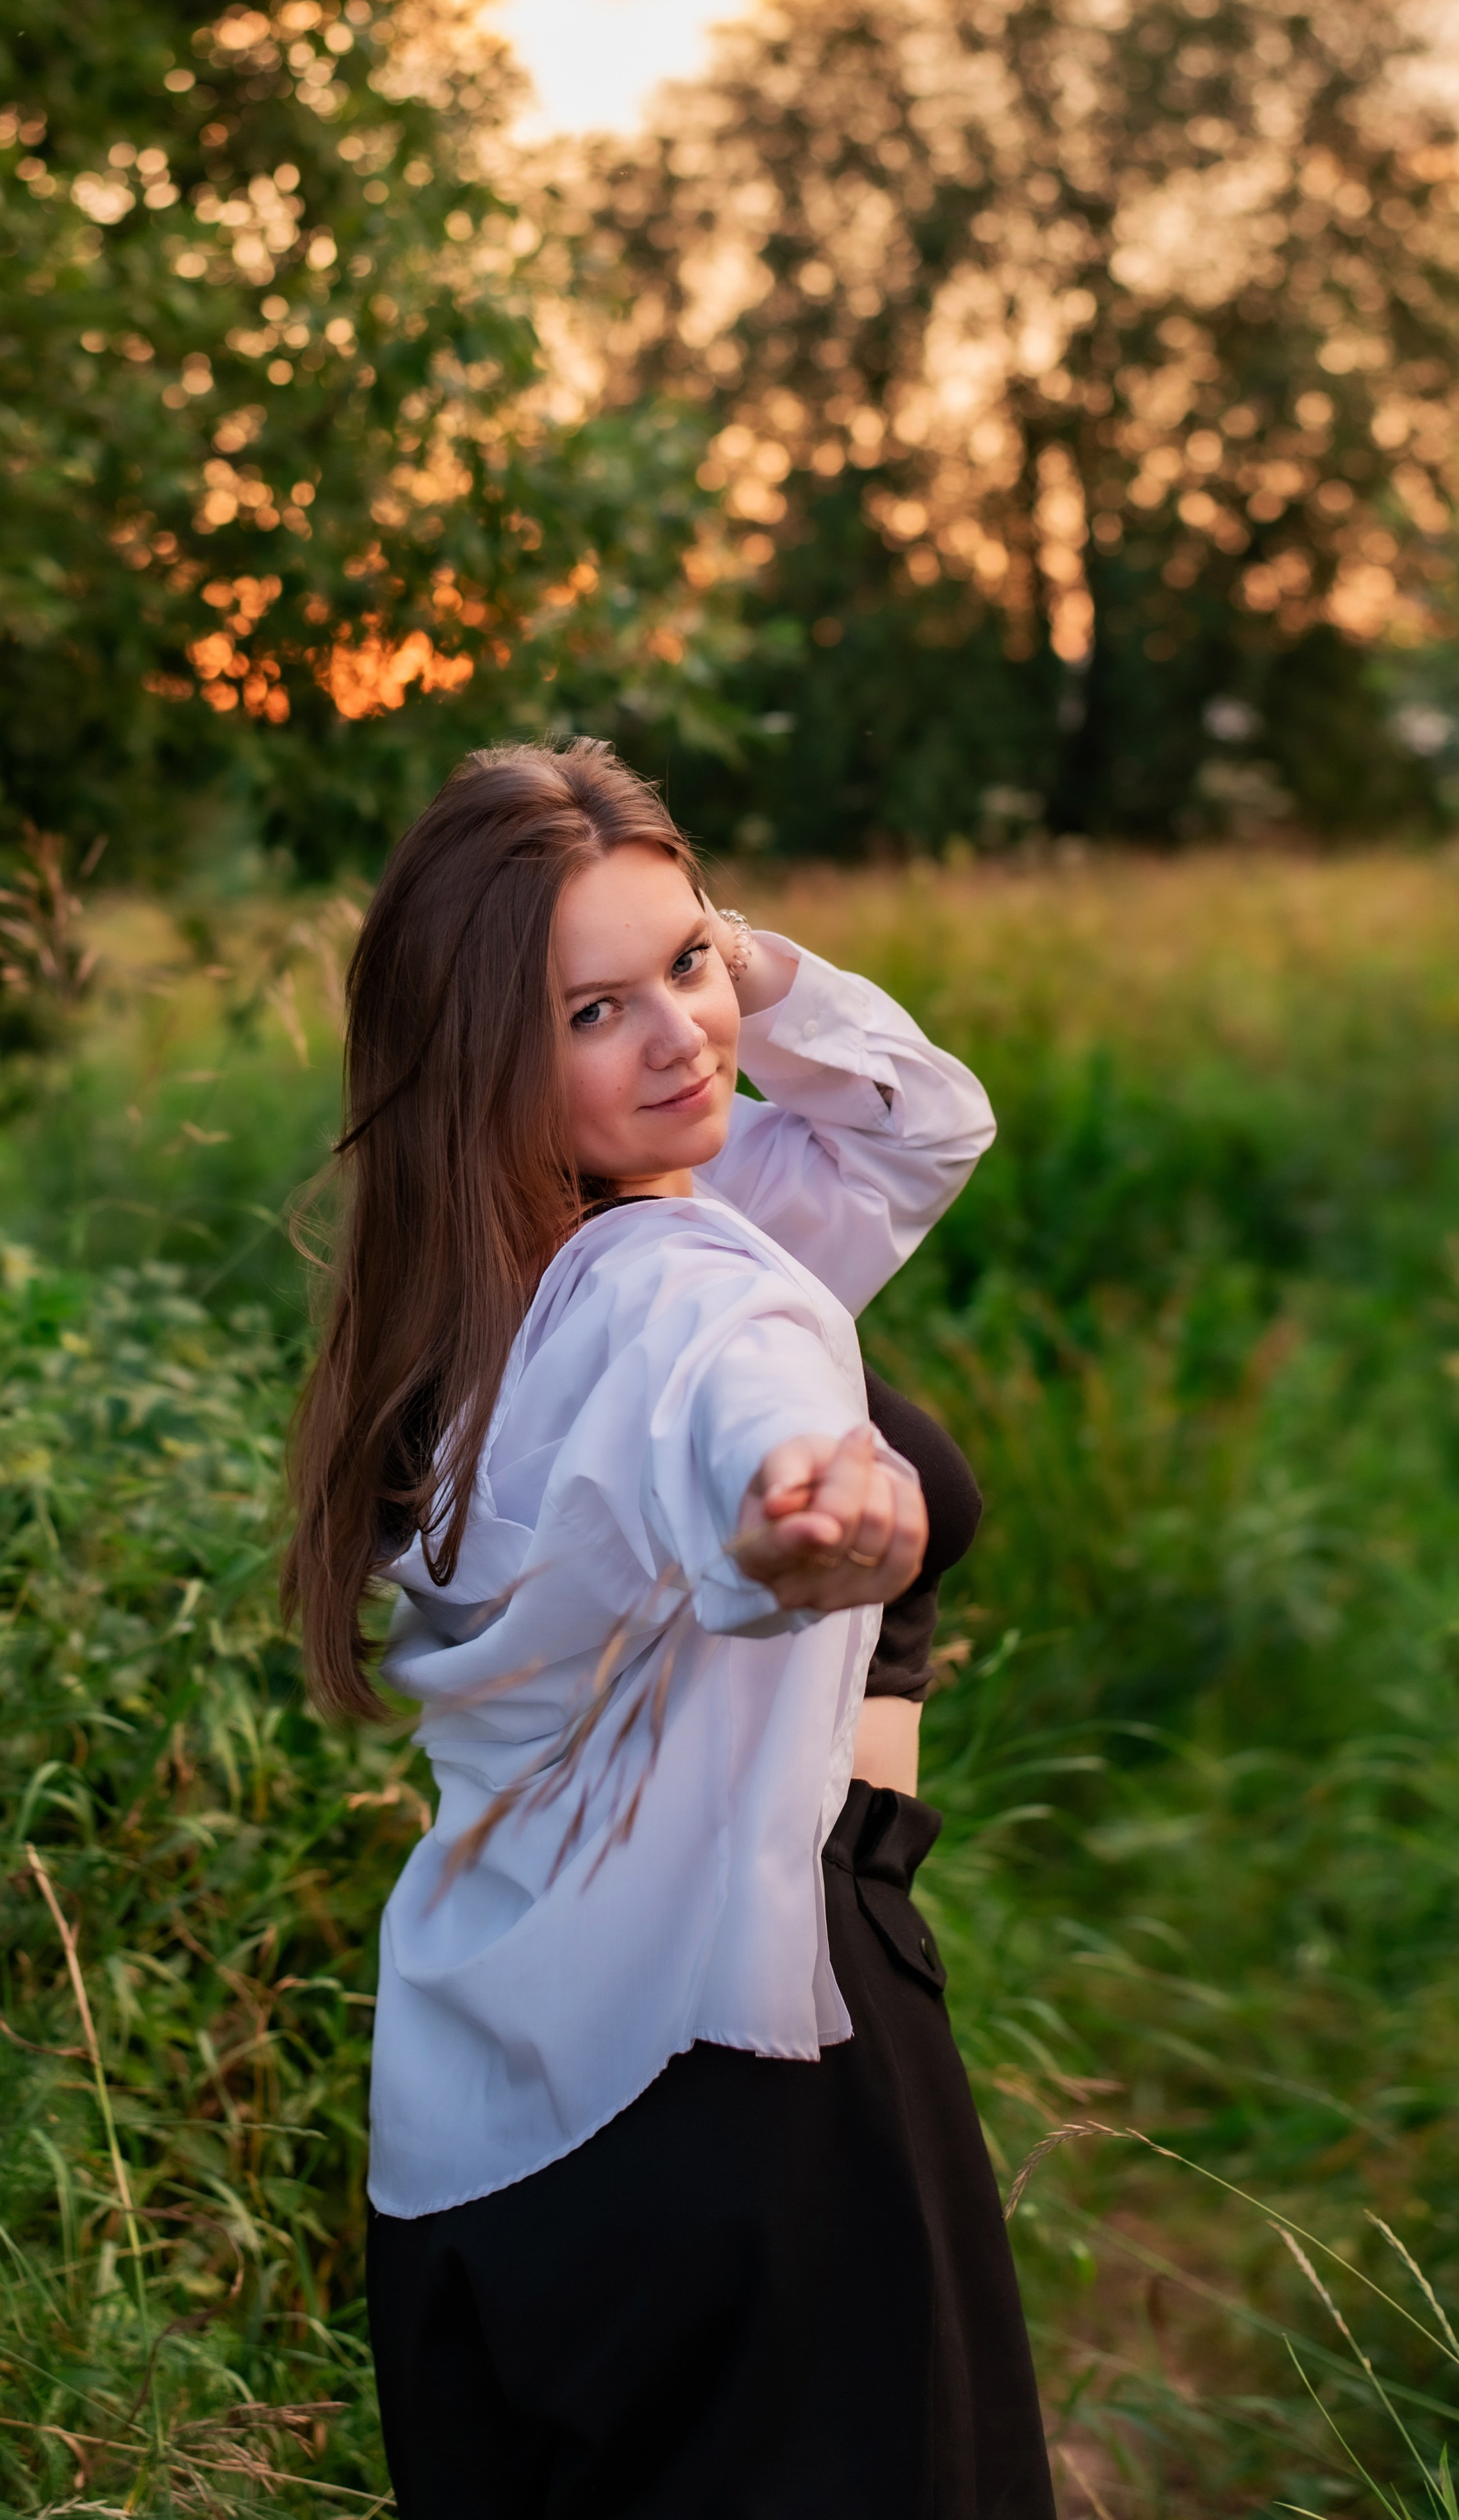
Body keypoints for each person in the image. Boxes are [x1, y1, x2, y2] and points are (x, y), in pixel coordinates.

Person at [284, 738, 1056, 2520]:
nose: (681, 1042)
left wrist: (721, 961)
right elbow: (736, 1401)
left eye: (686, 969)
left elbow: (918, 1118)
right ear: (481, 1056)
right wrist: (804, 1505)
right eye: (588, 1013)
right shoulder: (679, 1288)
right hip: (755, 2068)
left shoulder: (488, 1297)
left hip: (488, 2131)